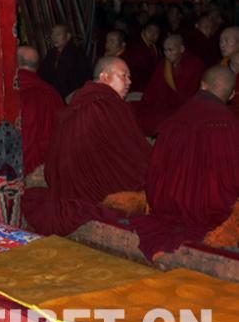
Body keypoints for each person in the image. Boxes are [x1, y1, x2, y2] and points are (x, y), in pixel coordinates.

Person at [22, 57, 150, 236]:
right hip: (93, 186)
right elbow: (131, 152)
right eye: (124, 76)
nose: (129, 81)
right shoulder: (105, 105)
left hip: (66, 183)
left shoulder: (81, 100)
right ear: (105, 77)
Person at [132, 66, 239, 258]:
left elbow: (155, 168)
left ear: (203, 85)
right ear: (232, 95)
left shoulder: (177, 117)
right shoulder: (230, 124)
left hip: (164, 203)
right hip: (210, 209)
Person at [136, 34, 205, 136]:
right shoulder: (163, 64)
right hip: (161, 104)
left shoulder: (195, 65)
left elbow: (192, 92)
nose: (167, 54)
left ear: (181, 49)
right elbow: (153, 87)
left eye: (171, 50)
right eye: (165, 50)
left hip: (182, 107)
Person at [17, 46, 64, 179]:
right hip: (42, 171)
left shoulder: (4, 92)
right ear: (37, 66)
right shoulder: (52, 94)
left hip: (8, 169)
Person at [37, 24, 90, 100]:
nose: (54, 37)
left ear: (68, 36)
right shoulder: (50, 54)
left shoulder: (77, 54)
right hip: (52, 96)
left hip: (70, 97)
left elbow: (83, 78)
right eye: (52, 34)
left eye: (58, 34)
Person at [123, 22, 161, 93]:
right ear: (143, 31)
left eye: (156, 32)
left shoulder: (156, 47)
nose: (153, 34)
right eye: (150, 30)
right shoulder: (134, 46)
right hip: (136, 88)